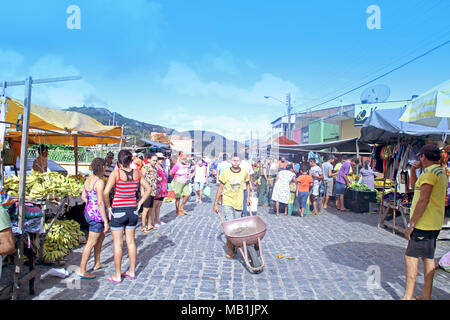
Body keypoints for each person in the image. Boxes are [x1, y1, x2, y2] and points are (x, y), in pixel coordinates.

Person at [401, 144, 447, 300]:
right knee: (428, 258)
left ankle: (408, 296)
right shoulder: (437, 171)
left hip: (423, 224)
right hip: (434, 223)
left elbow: (423, 200)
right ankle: (426, 294)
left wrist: (410, 225)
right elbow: (415, 188)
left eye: (420, 156)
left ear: (424, 157)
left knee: (411, 258)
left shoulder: (429, 173)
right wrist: (413, 171)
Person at [103, 149, 152, 284]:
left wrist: (108, 207)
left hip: (118, 210)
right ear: (131, 160)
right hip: (133, 211)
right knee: (131, 242)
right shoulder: (137, 173)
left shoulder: (116, 173)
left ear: (118, 161)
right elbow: (148, 189)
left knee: (118, 244)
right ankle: (131, 271)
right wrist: (139, 203)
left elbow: (106, 192)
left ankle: (117, 274)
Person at [213, 155, 250, 259]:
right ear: (230, 161)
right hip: (227, 201)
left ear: (240, 162)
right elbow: (220, 188)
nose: (235, 162)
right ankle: (230, 248)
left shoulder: (244, 173)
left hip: (239, 202)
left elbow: (247, 184)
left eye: (238, 160)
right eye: (234, 160)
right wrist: (215, 203)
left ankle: (233, 244)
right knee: (230, 226)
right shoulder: (225, 173)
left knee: (237, 227)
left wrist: (248, 198)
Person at [78, 158, 110, 279]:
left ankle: (97, 263)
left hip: (88, 212)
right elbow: (101, 203)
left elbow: (83, 196)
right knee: (90, 243)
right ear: (102, 167)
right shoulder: (100, 182)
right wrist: (106, 221)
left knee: (100, 239)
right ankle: (82, 270)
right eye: (105, 166)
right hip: (97, 215)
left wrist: (91, 203)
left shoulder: (88, 179)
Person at [140, 154, 159, 233]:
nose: (155, 162)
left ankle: (150, 224)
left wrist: (156, 189)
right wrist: (142, 190)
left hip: (153, 191)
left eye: (156, 160)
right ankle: (143, 226)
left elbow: (154, 180)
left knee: (151, 208)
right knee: (145, 209)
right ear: (149, 160)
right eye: (153, 160)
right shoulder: (145, 168)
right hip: (147, 191)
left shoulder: (155, 168)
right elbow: (142, 179)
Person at [154, 153, 169, 227]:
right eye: (159, 158)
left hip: (163, 188)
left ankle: (157, 220)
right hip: (158, 188)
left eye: (162, 158)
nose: (161, 160)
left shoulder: (162, 167)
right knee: (155, 205)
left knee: (159, 205)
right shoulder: (155, 167)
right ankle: (154, 221)